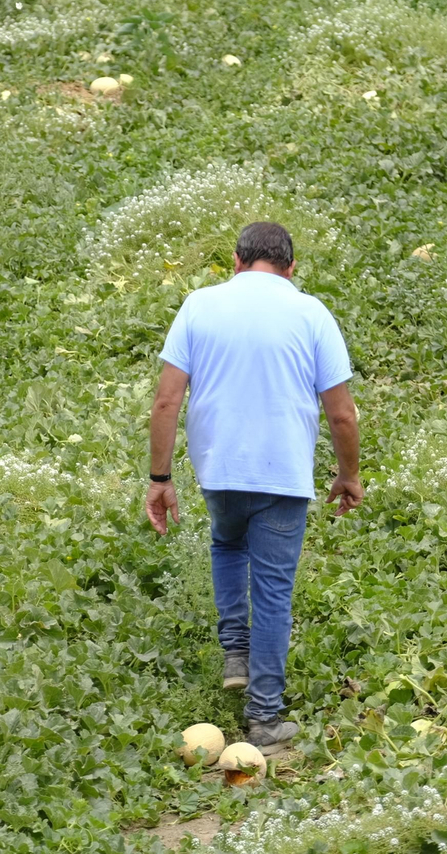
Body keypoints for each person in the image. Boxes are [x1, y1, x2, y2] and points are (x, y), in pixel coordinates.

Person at [144, 221, 362, 751]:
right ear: (290, 269)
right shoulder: (311, 312)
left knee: (227, 543)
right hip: (282, 476)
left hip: (220, 470)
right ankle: (264, 720)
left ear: (237, 263)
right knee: (273, 591)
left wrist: (160, 478)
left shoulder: (198, 305)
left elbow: (167, 401)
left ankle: (235, 653)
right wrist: (348, 474)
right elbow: (342, 416)